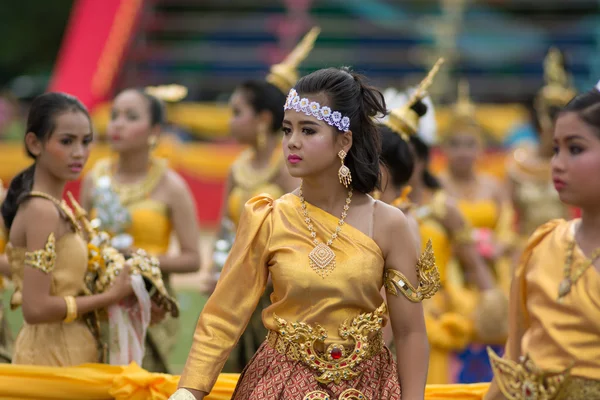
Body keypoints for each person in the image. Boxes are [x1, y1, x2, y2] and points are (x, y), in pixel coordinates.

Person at [170, 67, 440, 400]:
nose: (292, 142)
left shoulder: (387, 223)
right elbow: (223, 316)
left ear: (344, 140)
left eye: (308, 130)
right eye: (287, 130)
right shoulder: (268, 216)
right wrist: (188, 391)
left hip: (366, 388)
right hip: (279, 386)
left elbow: (410, 332)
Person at [378, 61, 506, 385]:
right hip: (376, 317)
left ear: (419, 159)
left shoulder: (444, 207)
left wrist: (494, 312)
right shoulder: (372, 209)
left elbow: (474, 265)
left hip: (434, 319)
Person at [206, 29, 317, 372]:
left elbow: (302, 231)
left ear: (263, 120)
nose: (230, 121)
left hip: (273, 290)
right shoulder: (237, 168)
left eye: (237, 112)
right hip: (235, 285)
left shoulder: (284, 169)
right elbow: (226, 228)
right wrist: (217, 270)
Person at [485, 83, 600, 400]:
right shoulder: (543, 245)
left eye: (575, 149)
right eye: (556, 150)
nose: (558, 164)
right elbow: (514, 358)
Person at [1, 92, 133, 366]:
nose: (79, 153)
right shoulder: (42, 210)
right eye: (66, 141)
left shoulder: (56, 206)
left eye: (86, 142)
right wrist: (109, 296)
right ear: (34, 143)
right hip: (51, 357)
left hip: (71, 349)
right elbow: (35, 308)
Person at [80, 87, 201, 373]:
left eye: (131, 117)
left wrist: (138, 256)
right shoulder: (94, 179)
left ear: (154, 130)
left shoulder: (172, 186)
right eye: (115, 116)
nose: (118, 124)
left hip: (149, 303)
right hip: (97, 299)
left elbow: (192, 259)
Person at [438, 80, 517, 383]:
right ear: (444, 148)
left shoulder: (493, 185)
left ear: (480, 148)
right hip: (452, 274)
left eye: (469, 144)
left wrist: (498, 245)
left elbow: (508, 227)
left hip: (492, 270)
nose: (462, 152)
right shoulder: (438, 186)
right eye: (455, 144)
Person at [507, 48, 575, 239]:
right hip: (525, 248)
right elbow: (508, 217)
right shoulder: (518, 160)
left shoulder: (580, 162)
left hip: (568, 247)